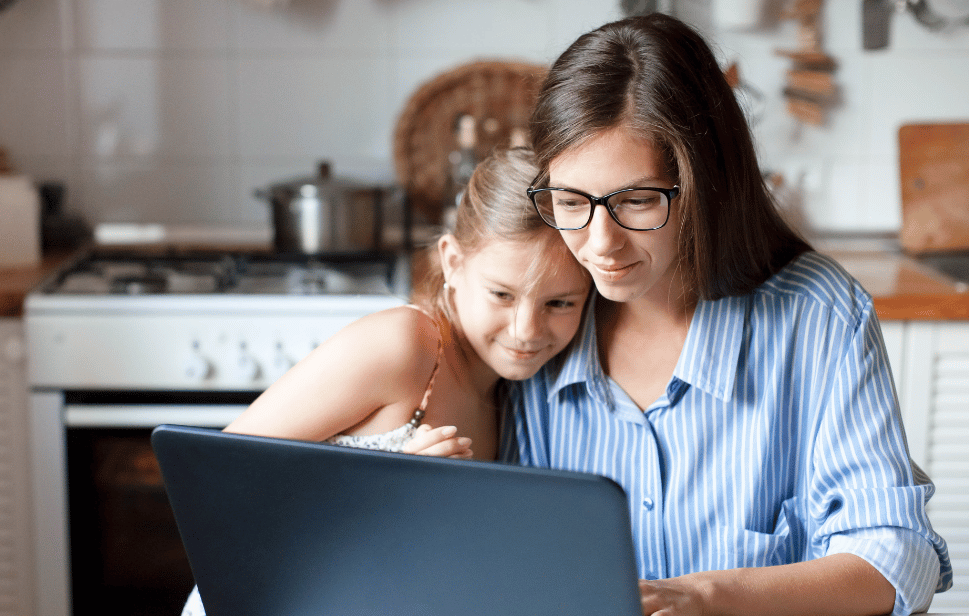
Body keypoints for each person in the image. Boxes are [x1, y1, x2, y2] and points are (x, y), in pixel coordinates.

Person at [500, 13, 953, 616]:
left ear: (704, 182)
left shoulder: (816, 315)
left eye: (636, 201)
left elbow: (895, 559)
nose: (599, 243)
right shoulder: (533, 319)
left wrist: (708, 596)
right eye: (571, 202)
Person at [179, 146, 593, 616]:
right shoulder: (407, 345)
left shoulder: (514, 396)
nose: (527, 331)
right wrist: (388, 491)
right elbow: (213, 478)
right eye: (501, 294)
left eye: (560, 304)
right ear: (452, 263)